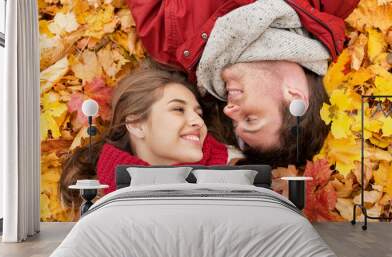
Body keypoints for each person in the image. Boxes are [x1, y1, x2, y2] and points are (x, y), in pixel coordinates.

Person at [126, 0, 359, 167]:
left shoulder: (167, 39)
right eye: (250, 119)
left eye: (234, 123)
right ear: (295, 96)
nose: (229, 110)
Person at [59, 68, 234, 207]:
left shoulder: (234, 171)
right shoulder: (97, 198)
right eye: (178, 109)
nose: (198, 121)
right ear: (136, 125)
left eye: (198, 113)